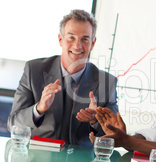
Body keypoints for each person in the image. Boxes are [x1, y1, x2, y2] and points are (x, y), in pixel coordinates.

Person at [7, 9, 118, 146]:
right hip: (39, 159)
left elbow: (114, 135)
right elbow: (13, 124)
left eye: (85, 39)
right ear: (61, 39)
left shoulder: (108, 83)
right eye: (71, 37)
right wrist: (39, 108)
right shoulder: (33, 70)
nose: (77, 46)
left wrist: (95, 121)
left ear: (92, 43)